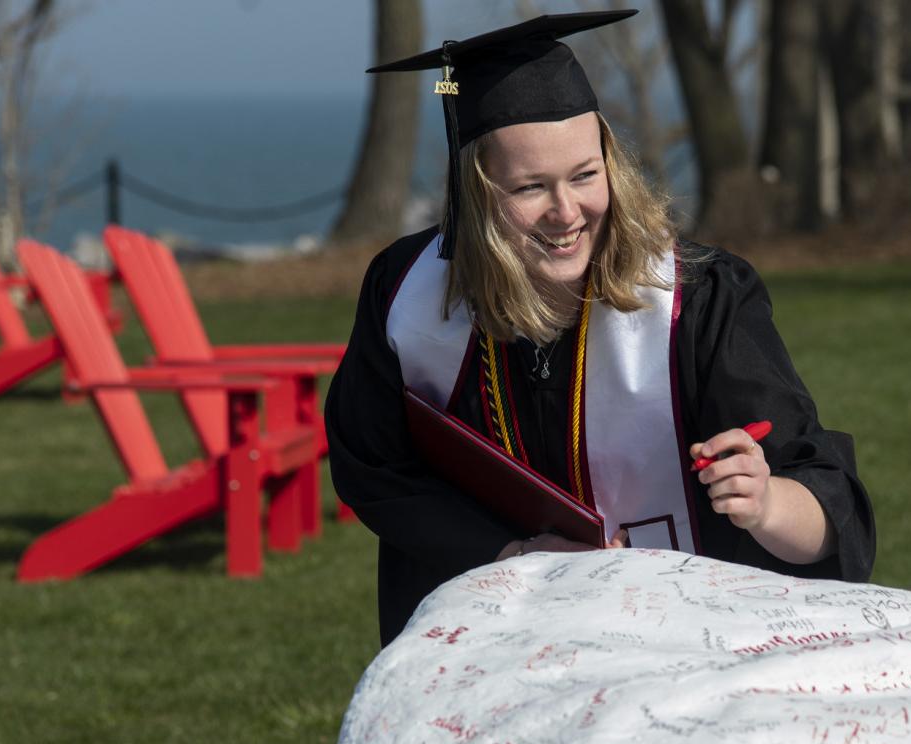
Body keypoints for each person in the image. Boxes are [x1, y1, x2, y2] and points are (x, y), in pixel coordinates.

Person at [325, 10, 876, 645]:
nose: (567, 213)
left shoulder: (697, 298)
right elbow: (373, 467)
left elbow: (830, 507)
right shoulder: (407, 293)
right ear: (476, 194)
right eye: (531, 187)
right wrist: (511, 554)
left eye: (586, 175)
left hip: (681, 642)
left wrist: (767, 502)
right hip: (490, 638)